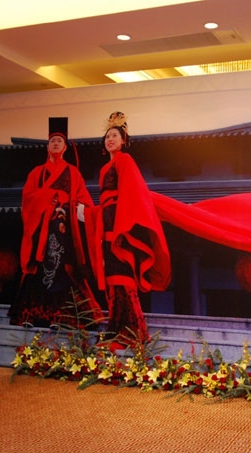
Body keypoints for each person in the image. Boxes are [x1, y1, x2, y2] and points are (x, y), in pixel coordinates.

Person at [84, 112, 171, 352]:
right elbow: (106, 202)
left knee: (123, 279)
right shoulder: (105, 168)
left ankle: (133, 331)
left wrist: (121, 229)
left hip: (121, 227)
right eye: (107, 136)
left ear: (123, 141)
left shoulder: (124, 160)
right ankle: (115, 329)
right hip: (107, 225)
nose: (110, 139)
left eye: (115, 136)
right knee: (112, 279)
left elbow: (131, 194)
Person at [8, 117, 103, 329]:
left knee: (63, 269)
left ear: (65, 147)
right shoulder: (37, 173)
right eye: (52, 141)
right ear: (47, 147)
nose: (56, 144)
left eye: (60, 141)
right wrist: (49, 198)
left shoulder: (73, 173)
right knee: (40, 269)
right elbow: (28, 200)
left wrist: (68, 207)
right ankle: (34, 315)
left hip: (64, 230)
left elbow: (84, 201)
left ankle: (62, 318)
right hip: (41, 231)